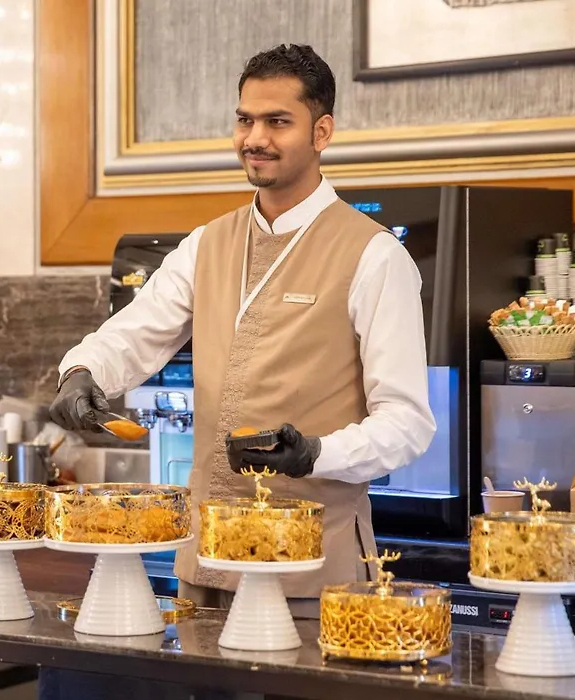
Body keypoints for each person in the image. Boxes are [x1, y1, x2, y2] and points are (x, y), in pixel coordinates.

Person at [41, 44, 435, 699]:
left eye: (278, 121)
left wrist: (315, 452)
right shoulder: (207, 243)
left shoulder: (374, 256)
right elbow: (135, 334)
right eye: (245, 120)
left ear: (322, 132)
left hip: (314, 569)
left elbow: (408, 424)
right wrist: (83, 371)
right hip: (207, 562)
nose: (255, 138)